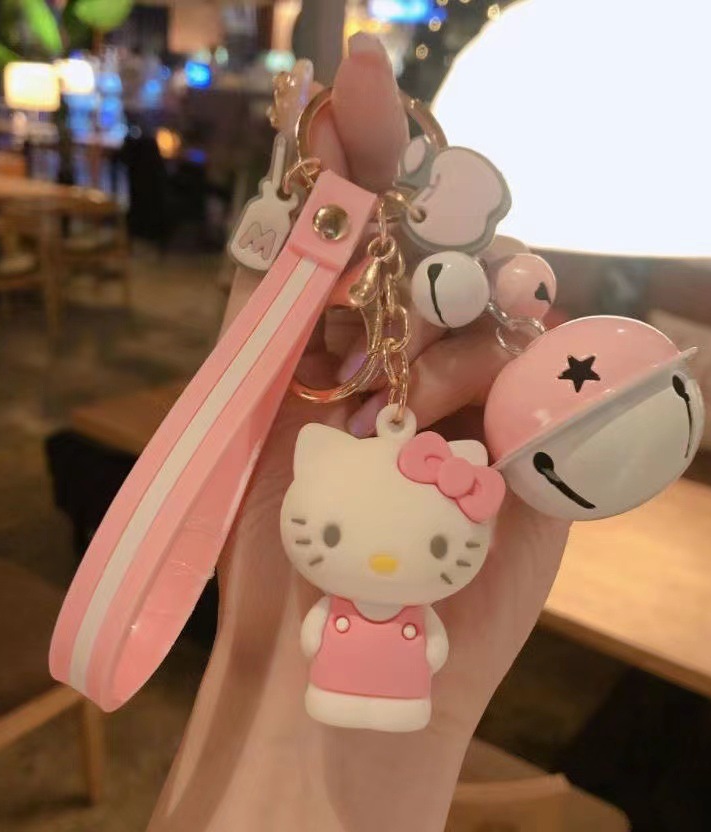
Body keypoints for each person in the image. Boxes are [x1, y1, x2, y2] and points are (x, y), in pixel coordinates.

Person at [145, 34, 569, 832]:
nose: (376, 563)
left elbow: (417, 643)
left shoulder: (389, 597)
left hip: (395, 705)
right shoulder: (346, 584)